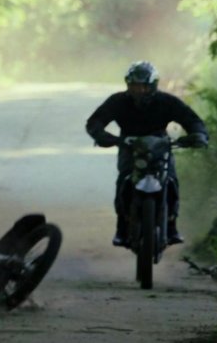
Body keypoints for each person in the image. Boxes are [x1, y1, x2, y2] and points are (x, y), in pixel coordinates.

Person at [85, 61, 208, 247]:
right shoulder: (117, 101)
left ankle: (172, 226)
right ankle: (121, 228)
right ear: (128, 85)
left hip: (160, 146)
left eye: (143, 86)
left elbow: (192, 120)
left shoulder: (166, 101)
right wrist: (103, 137)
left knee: (171, 180)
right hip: (129, 147)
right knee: (124, 180)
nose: (138, 90)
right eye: (134, 86)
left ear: (152, 86)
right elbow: (95, 122)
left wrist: (198, 135)